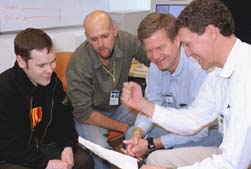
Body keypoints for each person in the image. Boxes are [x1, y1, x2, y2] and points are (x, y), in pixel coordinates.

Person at [121, 0, 251, 168]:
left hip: (236, 160)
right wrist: (143, 105)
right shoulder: (218, 73)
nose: (187, 53)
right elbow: (192, 120)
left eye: (188, 45)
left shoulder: (245, 73)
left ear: (211, 32)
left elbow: (233, 164)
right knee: (155, 160)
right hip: (230, 154)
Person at [123, 12, 222, 162]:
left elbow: (197, 128)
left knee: (173, 152)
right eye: (149, 51)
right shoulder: (155, 68)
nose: (155, 56)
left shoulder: (198, 68)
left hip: (207, 130)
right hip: (173, 124)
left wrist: (152, 144)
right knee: (131, 135)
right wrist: (138, 133)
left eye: (160, 48)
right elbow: (151, 105)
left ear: (176, 41)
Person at [66, 10, 150, 169]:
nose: (101, 45)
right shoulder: (78, 63)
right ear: (86, 37)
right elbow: (84, 114)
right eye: (93, 39)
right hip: (91, 114)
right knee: (100, 150)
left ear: (115, 30)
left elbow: (154, 59)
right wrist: (124, 128)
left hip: (118, 106)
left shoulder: (127, 41)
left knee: (151, 125)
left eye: (105, 36)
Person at [0, 28, 94, 169]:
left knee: (83, 161)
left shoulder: (53, 82)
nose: (50, 70)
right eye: (42, 65)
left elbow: (64, 119)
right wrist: (45, 164)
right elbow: (6, 144)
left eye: (52, 62)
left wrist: (67, 146)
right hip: (13, 154)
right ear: (21, 61)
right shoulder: (4, 89)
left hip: (43, 146)